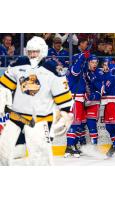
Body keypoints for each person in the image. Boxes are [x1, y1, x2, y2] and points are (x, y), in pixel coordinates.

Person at [0, 36, 74, 165]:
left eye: (35, 52)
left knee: (40, 157)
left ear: (43, 51)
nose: (32, 55)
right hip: (16, 116)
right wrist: (2, 95)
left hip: (39, 119)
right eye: (30, 52)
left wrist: (65, 113)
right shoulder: (19, 63)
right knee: (3, 150)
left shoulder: (53, 68)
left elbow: (63, 95)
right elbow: (5, 85)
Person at [65, 52, 89, 158]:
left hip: (78, 100)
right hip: (74, 100)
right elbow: (76, 69)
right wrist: (82, 57)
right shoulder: (74, 69)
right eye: (82, 61)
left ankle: (73, 145)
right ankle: (69, 146)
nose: (83, 63)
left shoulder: (81, 72)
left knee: (78, 124)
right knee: (74, 124)